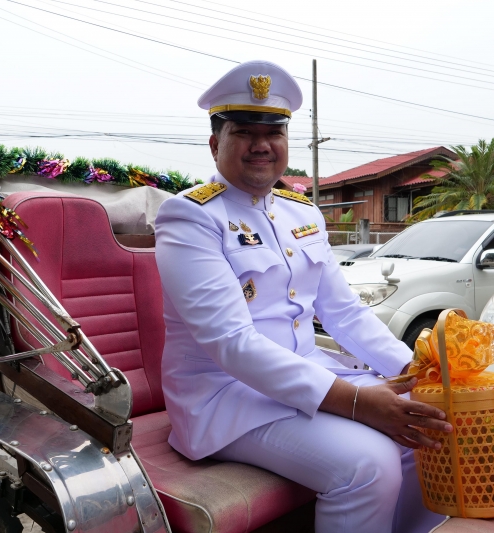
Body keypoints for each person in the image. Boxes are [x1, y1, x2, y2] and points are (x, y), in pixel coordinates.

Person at [154, 60, 452, 533]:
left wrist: (414, 371)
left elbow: (345, 312)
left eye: (273, 132)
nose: (261, 145)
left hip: (308, 376)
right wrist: (357, 402)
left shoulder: (300, 211)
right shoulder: (189, 218)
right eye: (244, 132)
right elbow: (233, 341)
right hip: (226, 396)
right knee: (367, 463)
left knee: (430, 425)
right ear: (216, 144)